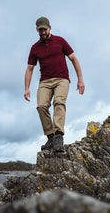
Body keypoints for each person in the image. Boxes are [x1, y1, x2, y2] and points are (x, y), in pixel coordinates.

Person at [24, 17, 85, 153]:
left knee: (58, 102)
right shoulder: (35, 48)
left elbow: (74, 59)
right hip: (45, 82)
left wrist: (80, 79)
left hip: (61, 79)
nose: (43, 32)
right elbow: (30, 68)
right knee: (41, 106)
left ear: (50, 28)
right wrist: (27, 88)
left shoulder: (60, 41)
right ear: (37, 30)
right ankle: (51, 137)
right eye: (40, 30)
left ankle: (58, 137)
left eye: (45, 29)